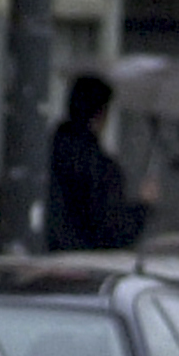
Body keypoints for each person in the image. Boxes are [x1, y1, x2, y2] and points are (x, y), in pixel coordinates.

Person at [49, 73, 153, 252]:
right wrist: (143, 207)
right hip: (79, 270)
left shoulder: (41, 157)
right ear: (102, 114)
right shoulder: (100, 169)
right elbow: (114, 232)